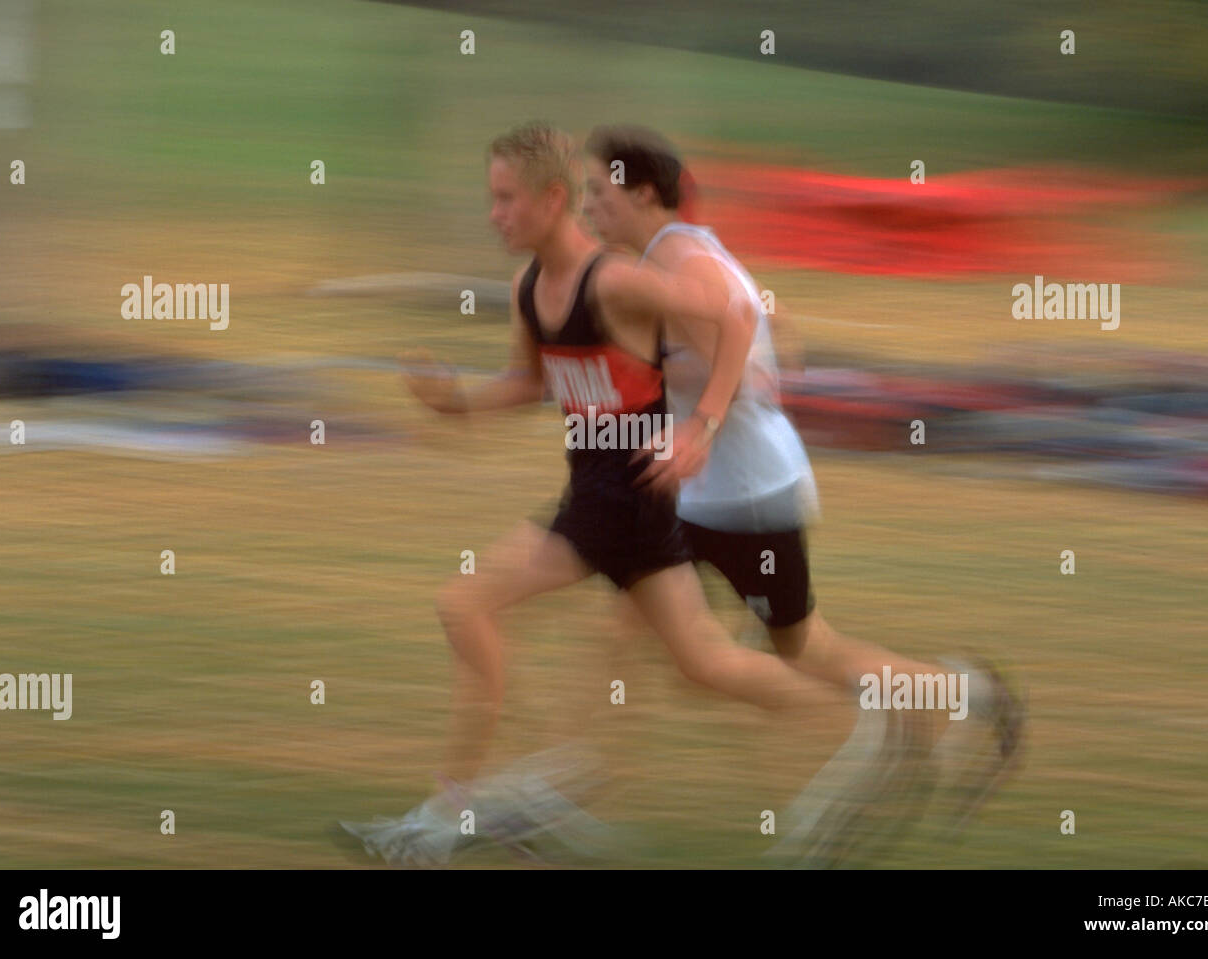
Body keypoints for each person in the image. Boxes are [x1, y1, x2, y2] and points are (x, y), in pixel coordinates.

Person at [341, 121, 853, 867]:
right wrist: (454, 405)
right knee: (705, 664)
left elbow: (736, 315)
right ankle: (852, 719)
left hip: (624, 509)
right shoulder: (529, 289)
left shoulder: (612, 280)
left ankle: (445, 816)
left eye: (506, 199)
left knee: (465, 604)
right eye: (492, 199)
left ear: (554, 200)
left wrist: (702, 426)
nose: (495, 215)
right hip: (610, 506)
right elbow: (529, 382)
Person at [579, 125, 1026, 864]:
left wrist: (707, 417)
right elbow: (766, 319)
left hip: (743, 494)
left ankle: (943, 706)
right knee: (649, 635)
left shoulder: (681, 258)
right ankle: (580, 794)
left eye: (599, 191)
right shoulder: (680, 249)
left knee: (800, 653)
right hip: (708, 489)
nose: (590, 207)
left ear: (642, 193)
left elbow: (742, 318)